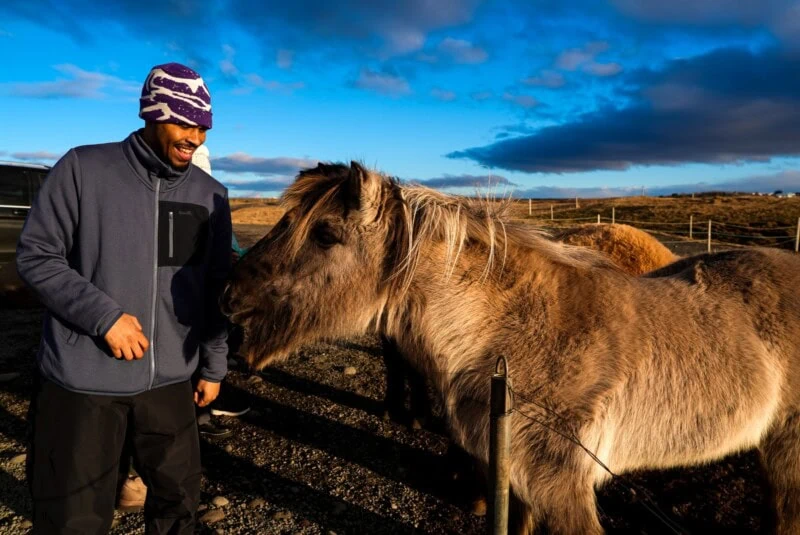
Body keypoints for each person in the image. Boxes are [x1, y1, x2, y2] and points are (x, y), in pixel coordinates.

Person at [17, 62, 231, 534]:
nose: (194, 138)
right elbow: (37, 255)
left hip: (171, 381)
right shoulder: (83, 168)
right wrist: (105, 317)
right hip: (83, 383)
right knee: (72, 517)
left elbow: (216, 287)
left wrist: (214, 366)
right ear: (151, 114)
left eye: (202, 127)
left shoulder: (209, 194)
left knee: (178, 508)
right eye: (183, 123)